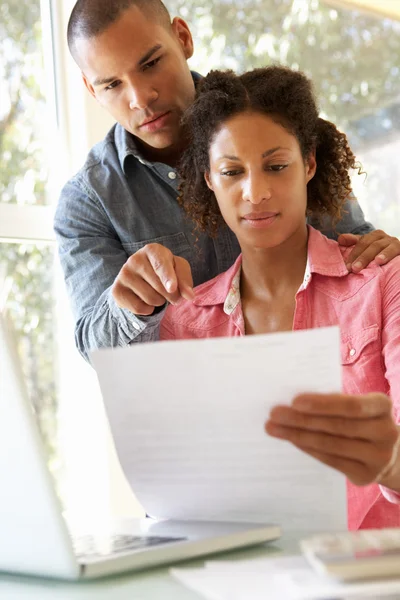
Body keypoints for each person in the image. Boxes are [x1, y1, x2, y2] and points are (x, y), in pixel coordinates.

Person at [54, 0, 400, 363]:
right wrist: (126, 306)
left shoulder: (274, 118)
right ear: (91, 90)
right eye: (111, 84)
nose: (141, 98)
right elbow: (100, 354)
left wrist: (384, 258)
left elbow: (358, 249)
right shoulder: (88, 202)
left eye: (151, 63)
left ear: (183, 38)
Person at [159, 66, 400, 530]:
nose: (256, 192)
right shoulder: (186, 323)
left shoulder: (382, 285)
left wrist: (384, 459)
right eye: (232, 171)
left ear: (308, 163)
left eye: (276, 165)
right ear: (209, 178)